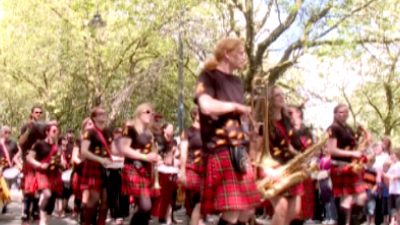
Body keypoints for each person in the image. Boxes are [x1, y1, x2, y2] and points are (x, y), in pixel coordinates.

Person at [195, 37, 260, 225]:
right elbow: (206, 105)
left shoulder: (238, 82)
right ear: (227, 54)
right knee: (232, 211)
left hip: (239, 148)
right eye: (240, 53)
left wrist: (250, 128)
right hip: (220, 148)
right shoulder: (208, 75)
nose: (244, 57)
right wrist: (237, 107)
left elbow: (237, 117)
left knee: (247, 211)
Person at [263, 86, 304, 225]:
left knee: (294, 211)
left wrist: (301, 157)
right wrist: (267, 169)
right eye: (277, 95)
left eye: (282, 95)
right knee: (281, 208)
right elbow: (258, 150)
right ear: (270, 100)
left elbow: (294, 146)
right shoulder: (265, 123)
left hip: (291, 168)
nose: (281, 97)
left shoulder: (288, 122)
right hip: (274, 169)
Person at [117, 103, 161, 225]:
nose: (150, 114)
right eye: (147, 112)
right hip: (133, 168)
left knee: (145, 210)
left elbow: (152, 152)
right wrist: (145, 157)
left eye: (152, 112)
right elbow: (124, 149)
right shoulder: (130, 129)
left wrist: (157, 158)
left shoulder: (149, 133)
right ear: (139, 113)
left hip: (147, 170)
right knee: (145, 206)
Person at [326, 103, 368, 225]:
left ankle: (351, 222)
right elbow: (331, 150)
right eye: (341, 112)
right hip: (340, 166)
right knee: (347, 199)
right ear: (334, 114)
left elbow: (352, 146)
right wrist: (353, 154)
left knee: (360, 197)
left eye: (346, 112)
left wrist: (360, 148)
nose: (345, 114)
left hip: (351, 166)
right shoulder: (332, 128)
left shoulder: (348, 128)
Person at [80, 107, 113, 225]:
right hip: (93, 166)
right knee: (93, 199)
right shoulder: (90, 132)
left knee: (105, 200)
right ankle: (87, 222)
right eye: (100, 114)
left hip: (106, 168)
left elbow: (112, 149)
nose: (103, 115)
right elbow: (83, 151)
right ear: (94, 117)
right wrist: (100, 159)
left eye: (104, 113)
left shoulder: (108, 131)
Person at [26, 123, 63, 225]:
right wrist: (40, 165)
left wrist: (61, 163)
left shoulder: (57, 147)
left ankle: (44, 218)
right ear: (47, 132)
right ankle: (42, 221)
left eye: (57, 131)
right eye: (54, 131)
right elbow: (29, 158)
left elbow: (59, 161)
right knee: (47, 194)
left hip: (54, 175)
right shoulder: (39, 144)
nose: (56, 133)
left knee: (51, 201)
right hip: (42, 173)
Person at [179, 107, 205, 225]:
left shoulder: (207, 131)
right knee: (198, 201)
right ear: (195, 115)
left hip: (205, 170)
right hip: (191, 168)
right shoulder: (187, 131)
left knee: (201, 204)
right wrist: (182, 171)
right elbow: (183, 152)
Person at [19, 105, 45, 223]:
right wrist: (29, 130)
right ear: (31, 113)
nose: (38, 114)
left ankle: (35, 210)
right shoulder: (26, 126)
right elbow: (21, 142)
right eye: (36, 112)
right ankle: (25, 211)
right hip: (28, 160)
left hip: (39, 160)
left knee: (38, 188)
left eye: (40, 112)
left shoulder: (42, 127)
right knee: (28, 188)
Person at [71, 117, 93, 219]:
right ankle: (81, 213)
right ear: (84, 126)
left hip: (93, 171)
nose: (91, 125)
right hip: (80, 171)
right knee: (81, 194)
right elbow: (74, 157)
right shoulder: (79, 140)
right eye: (88, 124)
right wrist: (82, 163)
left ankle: (89, 217)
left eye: (92, 123)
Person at [106, 127, 129, 225]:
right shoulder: (110, 144)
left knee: (123, 194)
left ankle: (122, 214)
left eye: (120, 133)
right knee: (113, 194)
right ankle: (115, 214)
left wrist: (120, 159)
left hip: (123, 171)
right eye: (116, 132)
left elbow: (126, 157)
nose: (118, 134)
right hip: (112, 171)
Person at [0, 125, 21, 214]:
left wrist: (18, 162)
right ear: (1, 133)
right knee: (2, 189)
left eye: (9, 132)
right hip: (1, 169)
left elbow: (18, 152)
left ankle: (4, 206)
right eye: (6, 132)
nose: (7, 134)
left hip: (10, 169)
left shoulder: (13, 143)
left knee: (6, 189)